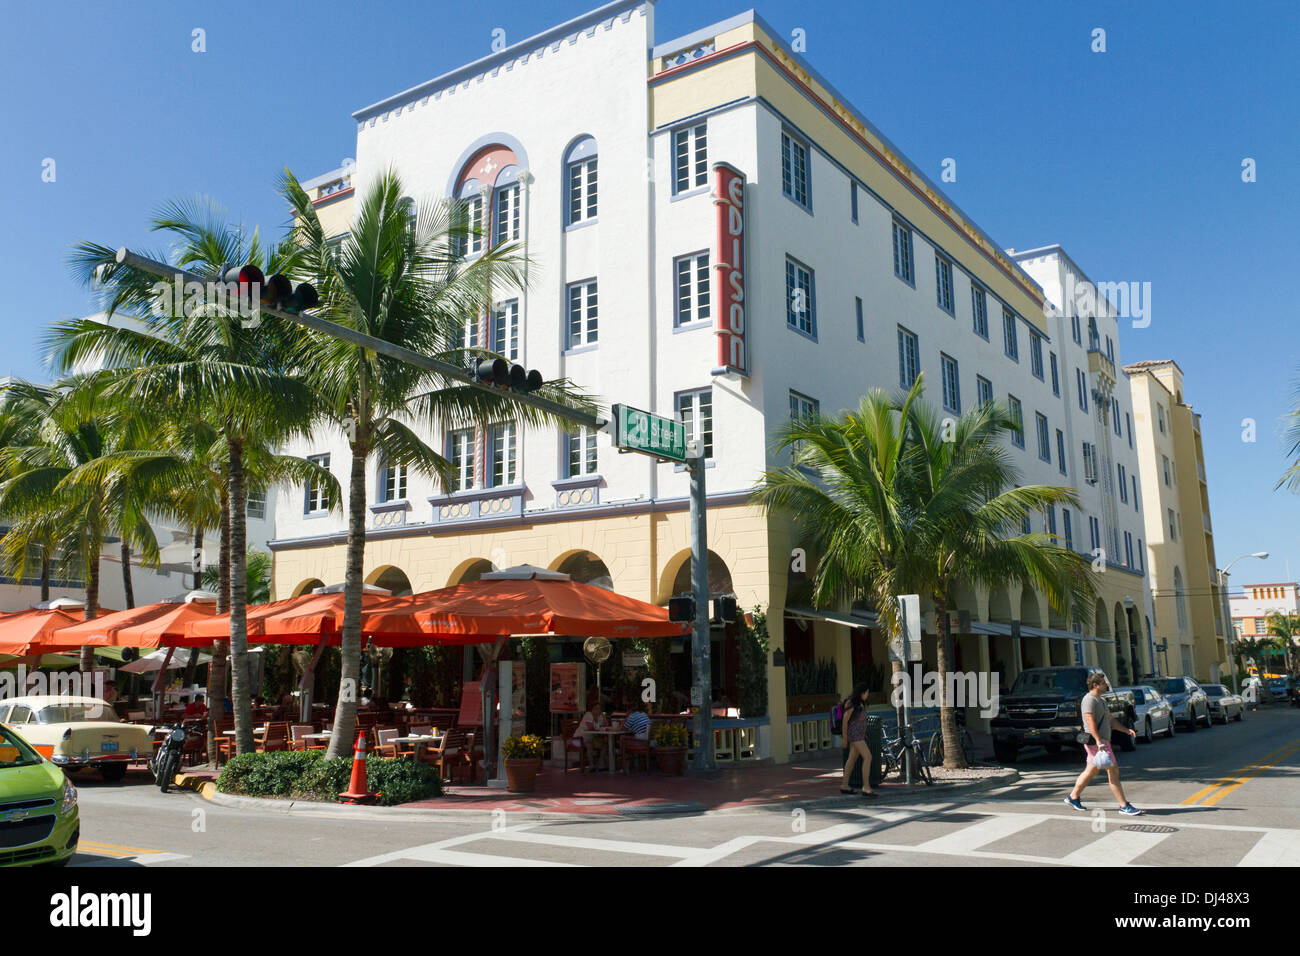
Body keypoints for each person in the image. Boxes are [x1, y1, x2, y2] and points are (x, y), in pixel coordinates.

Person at [1065, 672, 1142, 815]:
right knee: (1113, 771)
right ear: (1095, 685)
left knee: (1091, 771)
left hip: (1101, 742)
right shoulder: (1089, 700)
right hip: (1098, 743)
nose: (1106, 685)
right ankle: (1124, 806)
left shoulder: (1101, 700)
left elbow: (1110, 720)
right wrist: (1099, 741)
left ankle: (1073, 797)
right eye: (1103, 683)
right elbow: (1090, 722)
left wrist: (1126, 730)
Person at [840, 682, 877, 797]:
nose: (867, 695)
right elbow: (845, 721)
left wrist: (863, 733)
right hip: (854, 734)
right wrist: (845, 739)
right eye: (867, 693)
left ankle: (845, 785)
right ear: (862, 692)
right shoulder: (851, 702)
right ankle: (866, 787)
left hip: (859, 735)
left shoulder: (860, 703)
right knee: (868, 756)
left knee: (852, 759)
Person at [574, 701, 609, 771]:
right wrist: (599, 729)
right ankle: (591, 765)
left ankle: (601, 764)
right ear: (592, 709)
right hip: (578, 739)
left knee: (605, 744)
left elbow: (606, 725)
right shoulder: (588, 714)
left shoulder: (599, 717)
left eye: (599, 709)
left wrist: (603, 716)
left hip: (590, 738)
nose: (598, 710)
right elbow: (590, 728)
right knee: (589, 745)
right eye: (596, 708)